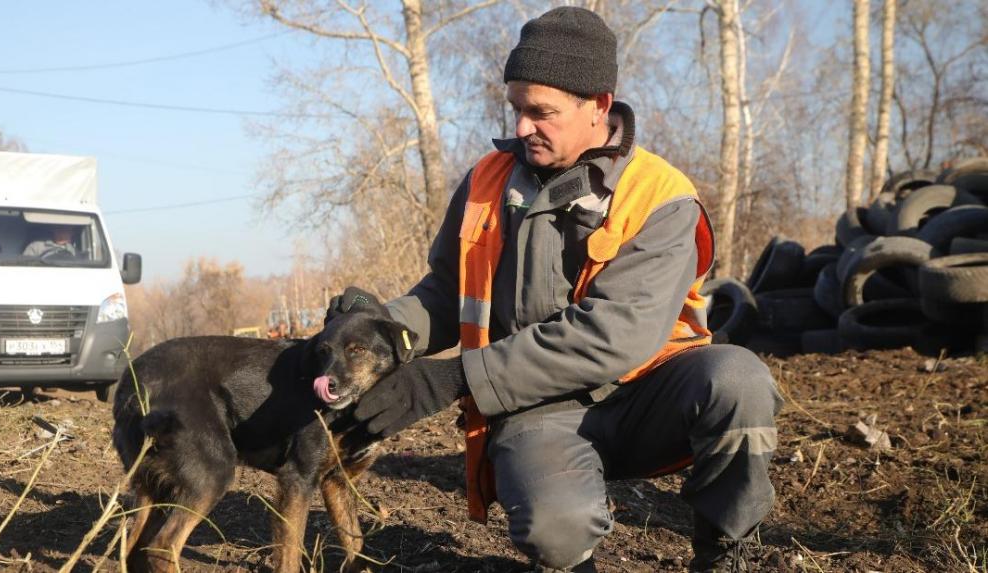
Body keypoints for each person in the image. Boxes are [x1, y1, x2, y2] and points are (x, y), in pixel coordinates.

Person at [329, 7, 783, 572]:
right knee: (556, 530)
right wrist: (376, 330)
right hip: (536, 402)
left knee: (738, 379)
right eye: (517, 108)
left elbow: (616, 334)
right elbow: (448, 292)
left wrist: (453, 378)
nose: (521, 128)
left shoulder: (662, 196)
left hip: (646, 393)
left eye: (540, 112)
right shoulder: (486, 181)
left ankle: (724, 552)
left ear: (598, 104)